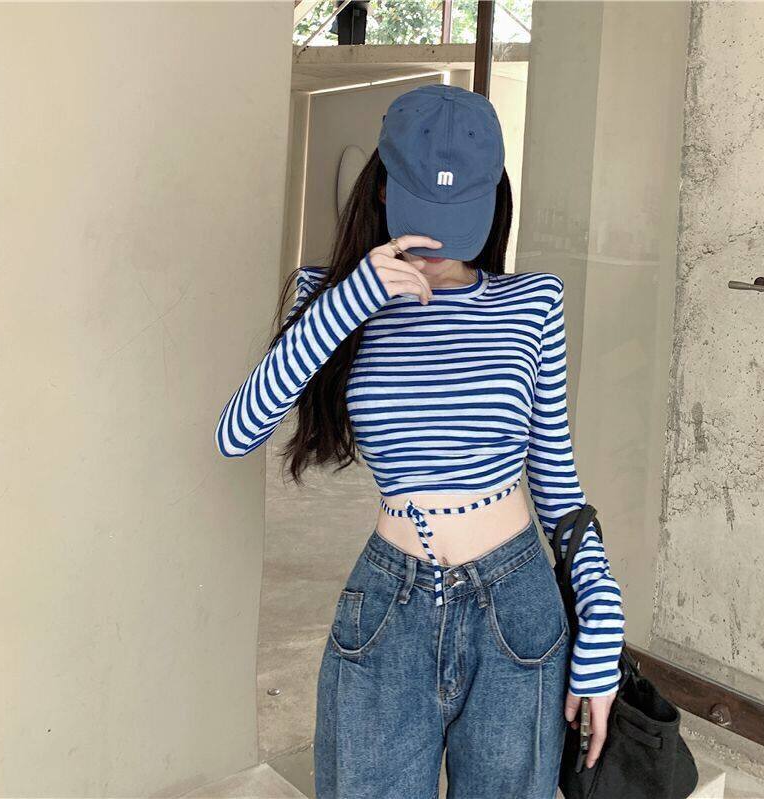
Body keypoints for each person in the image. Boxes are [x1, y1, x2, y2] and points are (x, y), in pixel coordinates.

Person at [215, 84, 625, 799]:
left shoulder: (531, 303)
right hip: (388, 608)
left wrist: (601, 611)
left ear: (490, 201)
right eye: (421, 218)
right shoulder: (330, 297)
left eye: (455, 221)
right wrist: (353, 297)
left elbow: (558, 483)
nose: (435, 247)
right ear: (382, 191)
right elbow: (236, 431)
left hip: (518, 608)